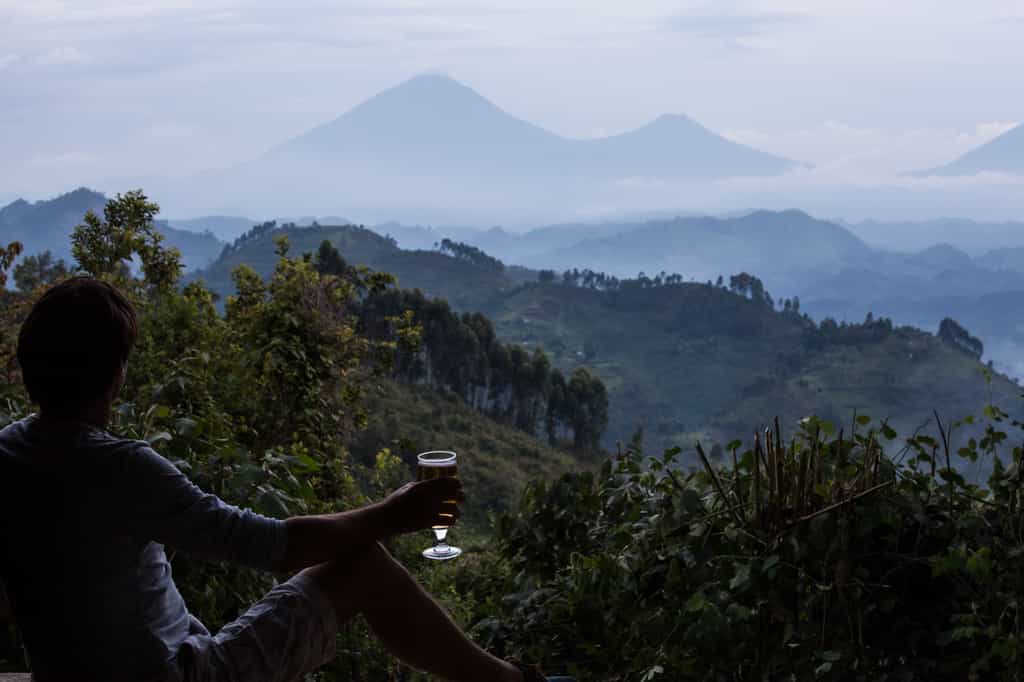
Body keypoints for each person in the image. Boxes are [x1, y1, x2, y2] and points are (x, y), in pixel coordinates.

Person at [0, 277, 569, 682]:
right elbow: (272, 546)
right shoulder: (120, 467)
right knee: (363, 566)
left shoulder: (10, 451)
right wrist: (395, 515)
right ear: (115, 375)